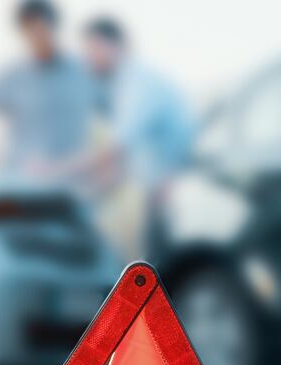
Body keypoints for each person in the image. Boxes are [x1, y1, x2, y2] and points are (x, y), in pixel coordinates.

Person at [51, 16, 195, 257]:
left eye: (91, 49)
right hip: (160, 195)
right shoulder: (124, 85)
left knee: (163, 277)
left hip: (177, 196)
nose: (88, 59)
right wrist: (85, 193)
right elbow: (121, 163)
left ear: (112, 45)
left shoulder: (139, 83)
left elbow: (111, 152)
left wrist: (53, 171)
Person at [0, 0, 94, 174]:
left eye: (41, 30)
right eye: (29, 32)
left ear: (55, 27)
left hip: (72, 183)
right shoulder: (8, 75)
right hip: (21, 183)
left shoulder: (85, 71)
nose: (36, 38)